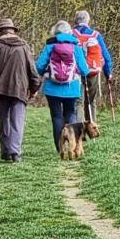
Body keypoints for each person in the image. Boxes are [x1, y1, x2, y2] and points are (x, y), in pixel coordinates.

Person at [0, 18, 41, 163]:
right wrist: (34, 88)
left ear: (0, 32)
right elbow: (32, 69)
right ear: (13, 31)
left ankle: (5, 151)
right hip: (20, 88)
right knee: (17, 120)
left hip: (1, 89)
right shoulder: (24, 46)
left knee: (4, 120)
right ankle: (15, 152)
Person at [37, 21, 90, 153]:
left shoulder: (50, 47)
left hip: (52, 88)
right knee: (71, 114)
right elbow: (84, 70)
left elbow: (38, 66)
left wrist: (45, 72)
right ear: (69, 33)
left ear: (55, 33)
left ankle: (60, 148)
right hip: (72, 88)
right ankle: (72, 146)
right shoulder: (76, 48)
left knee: (56, 116)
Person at [72, 10, 112, 123]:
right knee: (90, 101)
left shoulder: (71, 34)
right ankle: (92, 127)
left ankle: (79, 131)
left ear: (76, 21)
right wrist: (108, 73)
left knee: (78, 101)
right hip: (92, 71)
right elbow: (105, 55)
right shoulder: (95, 35)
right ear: (88, 21)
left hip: (76, 72)